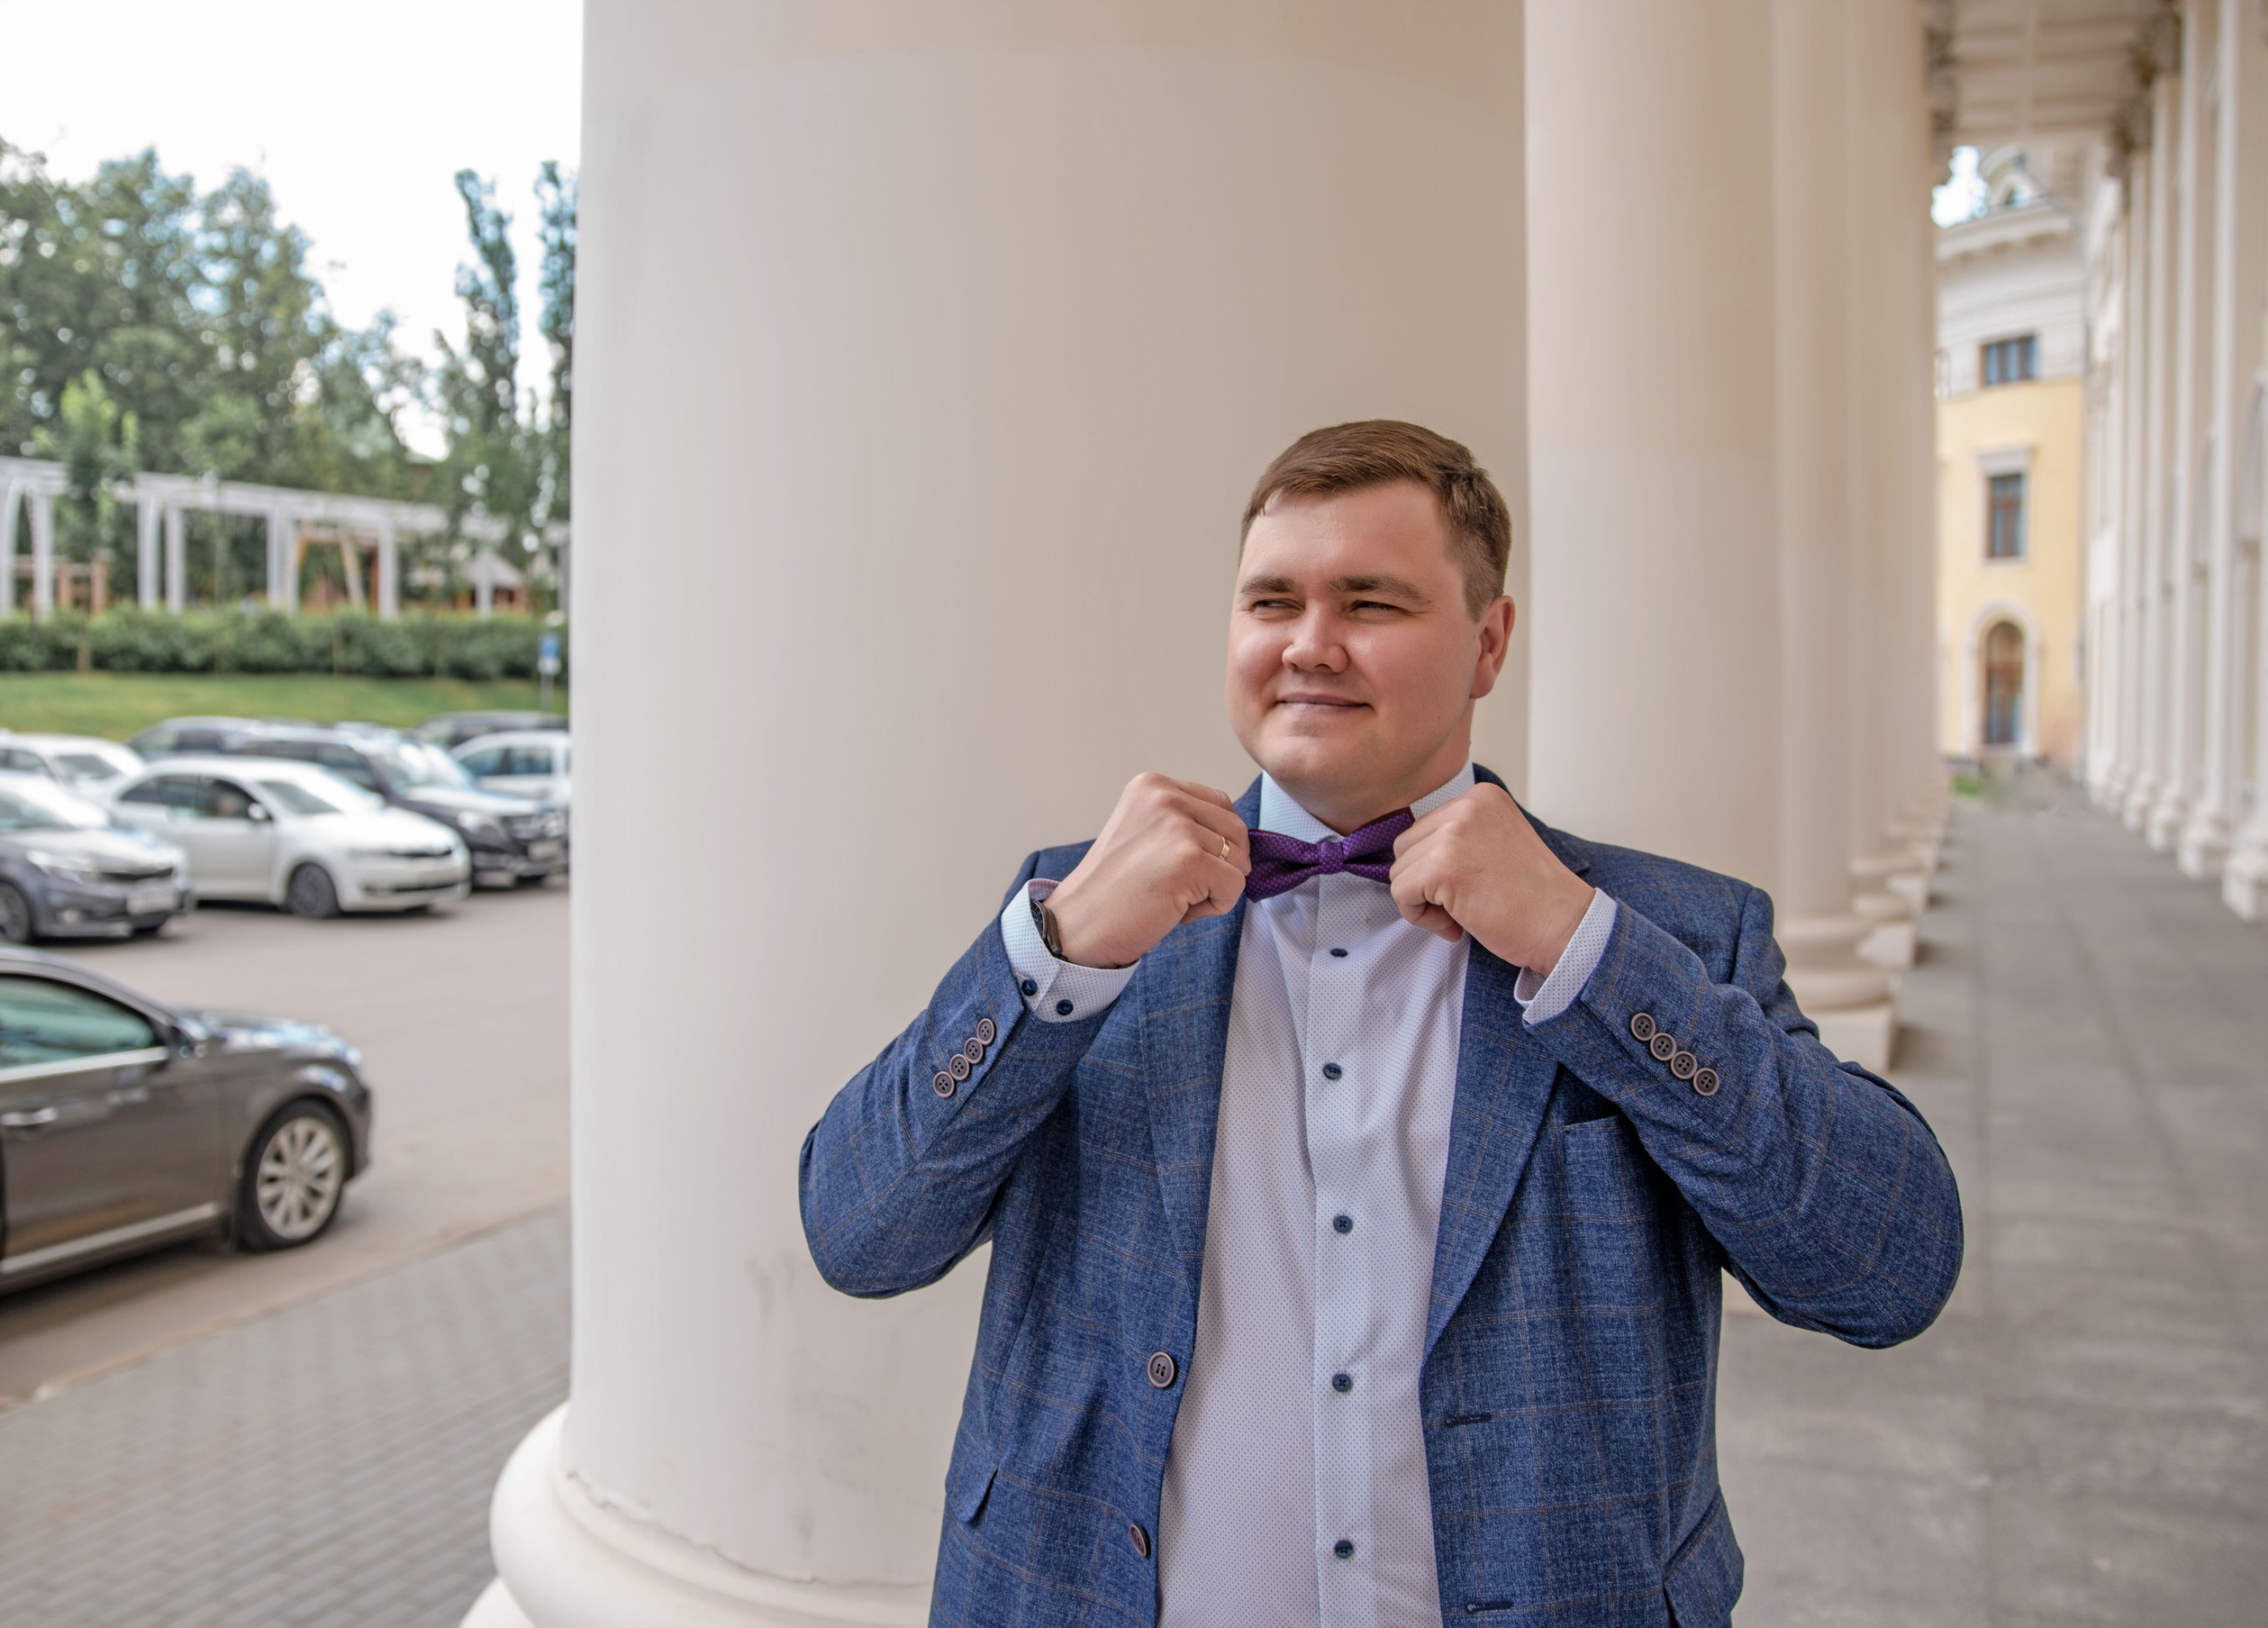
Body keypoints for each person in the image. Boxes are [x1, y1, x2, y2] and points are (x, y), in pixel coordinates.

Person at [800, 420, 1963, 1627]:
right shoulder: (1083, 915)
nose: (1309, 644)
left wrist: (1584, 951)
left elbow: (1889, 1271)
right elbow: (857, 1232)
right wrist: (1057, 951)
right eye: (1271, 602)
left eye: (1371, 602)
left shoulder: (1663, 932)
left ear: (1488, 643)